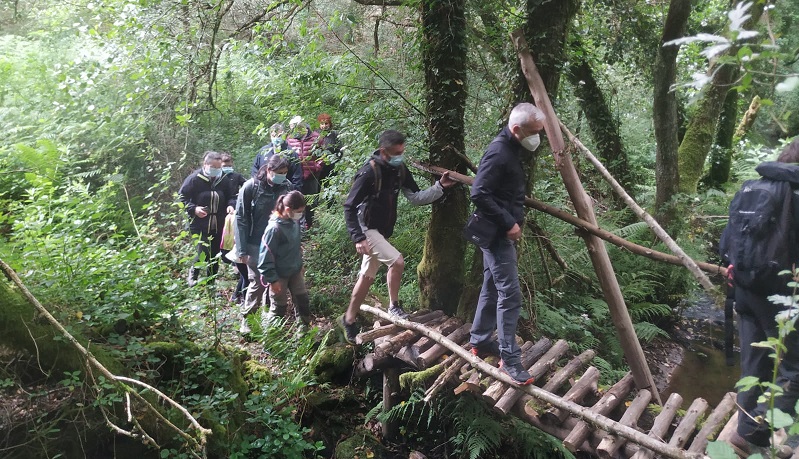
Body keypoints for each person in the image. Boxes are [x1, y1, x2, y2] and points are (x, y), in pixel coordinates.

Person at [338, 129, 455, 344]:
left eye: (402, 151)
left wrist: (440, 187)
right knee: (397, 261)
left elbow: (416, 197)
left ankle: (348, 319)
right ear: (383, 152)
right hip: (367, 229)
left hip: (380, 232)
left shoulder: (399, 170)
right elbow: (349, 206)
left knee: (366, 278)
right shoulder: (368, 173)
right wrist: (358, 237)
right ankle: (394, 307)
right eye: (396, 152)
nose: (400, 155)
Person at [727, 138, 799, 457]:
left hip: (745, 291)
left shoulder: (752, 188)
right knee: (795, 367)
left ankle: (745, 437)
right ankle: (764, 429)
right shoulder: (794, 194)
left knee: (754, 364)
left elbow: (727, 243)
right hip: (782, 296)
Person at [467, 103, 545, 386]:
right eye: (535, 132)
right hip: (498, 236)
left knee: (491, 286)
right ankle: (509, 360)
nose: (539, 137)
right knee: (510, 296)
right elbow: (479, 193)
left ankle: (478, 340)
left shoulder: (512, 149)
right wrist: (509, 223)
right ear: (517, 130)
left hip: (496, 235)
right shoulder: (500, 152)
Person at [235, 154, 291, 334]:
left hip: (278, 243)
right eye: (279, 172)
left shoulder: (287, 187)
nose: (283, 175)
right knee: (257, 283)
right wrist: (242, 249)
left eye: (285, 172)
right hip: (255, 242)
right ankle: (248, 320)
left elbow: (293, 217)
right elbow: (241, 218)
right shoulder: (251, 187)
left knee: (276, 282)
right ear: (268, 170)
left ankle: (271, 322)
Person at [178, 151, 237, 287]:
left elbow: (232, 196)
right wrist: (194, 209)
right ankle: (194, 273)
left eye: (219, 168)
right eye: (214, 167)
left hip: (218, 223)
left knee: (215, 254)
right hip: (199, 223)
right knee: (203, 250)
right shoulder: (194, 179)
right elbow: (182, 197)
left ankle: (211, 284)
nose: (216, 170)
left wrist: (230, 205)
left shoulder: (224, 179)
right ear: (206, 164)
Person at [257, 190, 312, 327]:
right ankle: (271, 338)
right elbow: (264, 258)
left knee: (302, 301)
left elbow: (296, 246)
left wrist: (300, 264)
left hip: (295, 270)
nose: (300, 214)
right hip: (278, 274)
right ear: (287, 209)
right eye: (298, 211)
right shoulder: (274, 229)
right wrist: (273, 280)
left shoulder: (294, 223)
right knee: (278, 307)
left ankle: (304, 334)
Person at [219, 152, 249, 303]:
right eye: (225, 166)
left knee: (233, 239)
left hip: (234, 212)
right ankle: (230, 261)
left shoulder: (236, 176)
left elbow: (246, 185)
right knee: (224, 242)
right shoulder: (218, 178)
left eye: (229, 165)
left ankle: (235, 264)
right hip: (221, 213)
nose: (228, 168)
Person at [287, 117, 322, 228]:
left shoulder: (316, 137)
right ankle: (297, 226)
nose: (292, 130)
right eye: (291, 128)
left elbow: (323, 154)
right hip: (296, 176)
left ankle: (309, 225)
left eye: (294, 127)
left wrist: (317, 166)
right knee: (296, 200)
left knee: (311, 202)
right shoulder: (289, 139)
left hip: (311, 175)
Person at [251, 123, 303, 191]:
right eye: (273, 136)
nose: (276, 138)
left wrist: (293, 193)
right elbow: (255, 170)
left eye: (279, 135)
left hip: (285, 192)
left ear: (284, 135)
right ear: (270, 136)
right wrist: (257, 187)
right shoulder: (263, 152)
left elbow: (297, 177)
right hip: (264, 191)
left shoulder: (291, 153)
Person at [315, 113, 342, 183]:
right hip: (319, 165)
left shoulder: (334, 134)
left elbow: (340, 150)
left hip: (331, 164)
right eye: (322, 124)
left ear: (329, 124)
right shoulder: (316, 134)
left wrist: (335, 159)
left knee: (330, 183)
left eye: (326, 123)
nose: (324, 126)